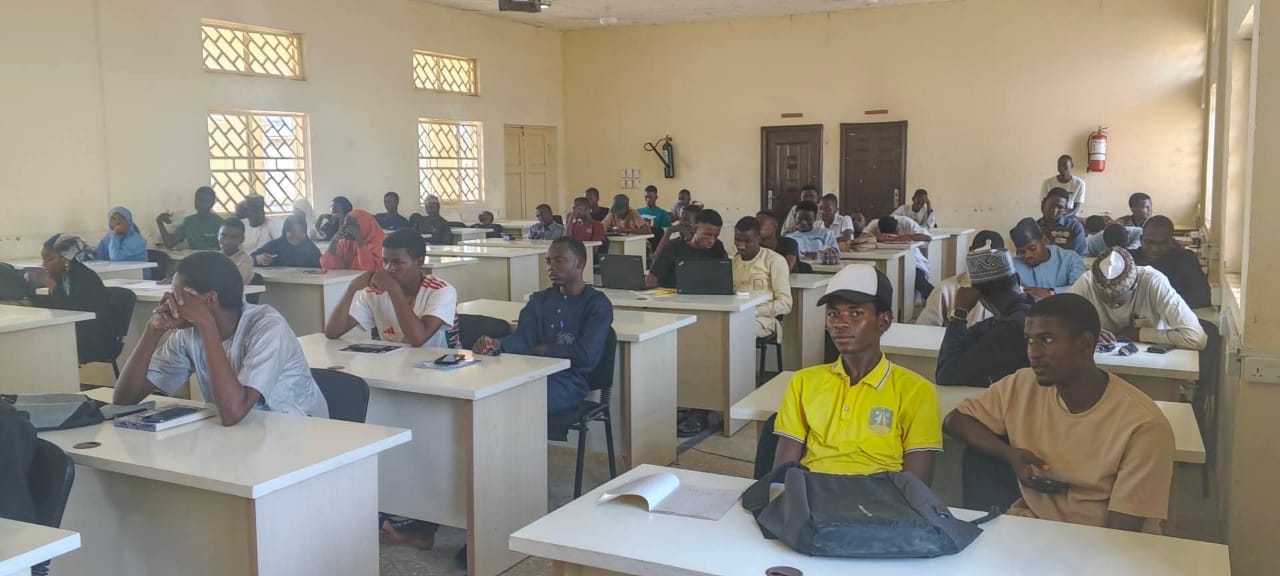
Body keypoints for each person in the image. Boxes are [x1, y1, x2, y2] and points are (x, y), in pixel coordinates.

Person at [944, 294, 1174, 532]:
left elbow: (1121, 534)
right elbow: (955, 420)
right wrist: (1009, 454)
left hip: (1097, 541)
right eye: (1029, 340)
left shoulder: (1143, 425)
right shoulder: (1023, 384)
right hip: (1030, 529)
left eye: (1047, 340)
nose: (1033, 353)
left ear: (1085, 343)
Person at [113, 251, 329, 424]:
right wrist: (152, 330)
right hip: (244, 434)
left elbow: (234, 412)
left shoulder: (268, 327)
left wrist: (207, 325)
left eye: (179, 295)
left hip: (299, 432)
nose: (170, 301)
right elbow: (124, 399)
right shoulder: (188, 334)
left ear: (209, 299)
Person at [774, 264, 941, 483]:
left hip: (879, 499)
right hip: (813, 494)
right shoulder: (803, 382)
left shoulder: (916, 391)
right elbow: (782, 474)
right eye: (833, 314)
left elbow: (916, 486)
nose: (840, 323)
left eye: (856, 313)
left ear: (884, 321)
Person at [473, 237, 613, 414]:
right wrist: (497, 344)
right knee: (489, 389)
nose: (551, 267)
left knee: (517, 399)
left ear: (579, 264)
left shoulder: (597, 304)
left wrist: (542, 350)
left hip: (568, 381)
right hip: (532, 372)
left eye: (559, 261)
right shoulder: (539, 300)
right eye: (548, 261)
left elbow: (586, 355)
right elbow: (524, 338)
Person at [325, 229, 457, 348]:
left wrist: (393, 290)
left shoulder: (441, 291)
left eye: (397, 262)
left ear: (419, 262)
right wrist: (352, 288)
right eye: (385, 261)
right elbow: (332, 332)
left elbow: (418, 339)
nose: (389, 268)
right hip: (391, 363)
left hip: (432, 363)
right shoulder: (375, 292)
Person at [1069, 248, 1207, 350]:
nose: (1112, 306)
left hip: (1153, 364)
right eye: (1105, 300)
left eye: (1118, 302)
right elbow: (1060, 327)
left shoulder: (1154, 282)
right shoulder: (1087, 283)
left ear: (1134, 286)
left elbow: (1196, 338)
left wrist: (1139, 334)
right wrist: (1086, 331)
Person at [935, 247, 1034, 388]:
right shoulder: (1029, 312)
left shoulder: (1010, 328)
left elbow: (946, 375)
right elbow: (969, 337)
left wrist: (959, 314)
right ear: (1017, 279)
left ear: (977, 294)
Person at [31, 234, 109, 364]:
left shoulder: (85, 277)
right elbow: (55, 309)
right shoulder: (60, 276)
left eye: (50, 259)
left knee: (42, 345)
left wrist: (54, 288)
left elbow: (73, 311)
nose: (44, 264)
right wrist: (32, 289)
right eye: (43, 260)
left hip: (93, 336)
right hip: (73, 331)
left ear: (65, 258)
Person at [917, 231, 1004, 327]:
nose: (985, 266)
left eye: (991, 260)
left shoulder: (1009, 294)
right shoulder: (945, 290)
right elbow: (924, 329)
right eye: (979, 257)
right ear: (969, 252)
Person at [732, 217, 793, 339]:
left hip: (764, 319)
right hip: (736, 314)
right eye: (737, 240)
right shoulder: (734, 262)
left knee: (736, 330)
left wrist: (755, 311)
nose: (741, 246)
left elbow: (785, 303)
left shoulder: (775, 260)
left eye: (747, 241)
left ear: (758, 238)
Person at [1137, 216, 1211, 309]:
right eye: (1149, 242)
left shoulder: (1185, 260)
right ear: (1141, 240)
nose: (1155, 249)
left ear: (1171, 242)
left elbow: (1202, 298)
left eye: (1162, 243)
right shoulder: (1129, 261)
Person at [646, 208, 727, 289]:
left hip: (705, 293)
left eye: (715, 236)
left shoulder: (717, 247)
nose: (711, 241)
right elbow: (651, 280)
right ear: (695, 229)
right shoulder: (674, 247)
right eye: (707, 235)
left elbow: (724, 278)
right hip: (675, 294)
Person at [1010, 218, 1085, 300]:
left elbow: (1080, 290)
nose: (1027, 255)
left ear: (1044, 240)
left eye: (1032, 248)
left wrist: (1051, 292)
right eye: (1022, 252)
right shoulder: (1013, 266)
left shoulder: (1070, 259)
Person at [866, 215, 934, 300]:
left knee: (918, 279)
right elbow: (862, 237)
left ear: (898, 228)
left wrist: (904, 237)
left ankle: (937, 300)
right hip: (884, 259)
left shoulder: (906, 223)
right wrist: (876, 238)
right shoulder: (874, 224)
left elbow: (928, 237)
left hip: (912, 261)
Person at [157, 186, 223, 250]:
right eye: (199, 199)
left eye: (205, 201)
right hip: (195, 257)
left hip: (214, 257)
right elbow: (170, 244)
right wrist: (159, 222)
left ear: (212, 203)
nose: (201, 203)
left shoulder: (220, 223)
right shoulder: (188, 222)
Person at [252, 215, 323, 268]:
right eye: (292, 231)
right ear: (285, 231)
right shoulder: (276, 245)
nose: (297, 235)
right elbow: (250, 259)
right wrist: (258, 259)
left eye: (301, 231)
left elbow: (322, 266)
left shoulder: (311, 249)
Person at [1037, 188, 1087, 254]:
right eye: (1051, 205)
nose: (1054, 210)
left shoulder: (1074, 228)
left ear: (1066, 209)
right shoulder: (1034, 227)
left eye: (1060, 207)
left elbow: (1077, 256)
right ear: (1044, 203)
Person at [217, 218, 255, 285]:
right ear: (218, 235)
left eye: (233, 237)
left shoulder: (245, 261)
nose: (227, 241)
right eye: (223, 235)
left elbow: (232, 284)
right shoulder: (213, 257)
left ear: (242, 239)